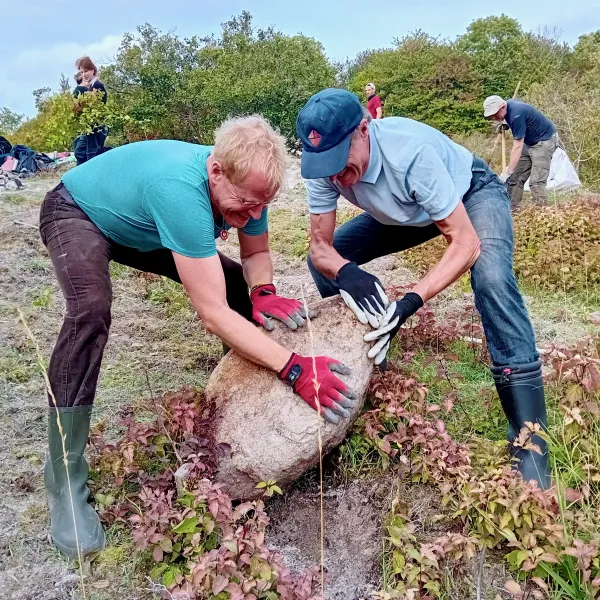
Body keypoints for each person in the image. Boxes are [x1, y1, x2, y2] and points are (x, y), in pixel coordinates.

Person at [39, 115, 356, 558]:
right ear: (215, 171)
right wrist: (294, 367)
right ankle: (63, 480)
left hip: (142, 222)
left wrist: (262, 293)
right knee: (89, 311)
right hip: (78, 211)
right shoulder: (181, 192)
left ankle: (243, 393)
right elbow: (211, 314)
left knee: (238, 289)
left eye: (262, 205)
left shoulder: (249, 189)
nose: (253, 215)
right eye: (245, 204)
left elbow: (258, 250)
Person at [297, 88, 550, 491]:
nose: (335, 177)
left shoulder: (408, 153)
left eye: (341, 164)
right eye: (324, 167)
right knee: (324, 263)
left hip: (470, 193)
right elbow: (321, 247)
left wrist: (409, 302)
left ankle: (531, 438)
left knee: (492, 279)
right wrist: (347, 273)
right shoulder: (324, 168)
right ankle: (364, 357)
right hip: (404, 213)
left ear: (365, 129)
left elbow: (465, 243)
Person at [483, 95, 557, 209]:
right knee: (514, 179)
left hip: (544, 141)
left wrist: (508, 171)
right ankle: (513, 211)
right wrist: (505, 124)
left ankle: (542, 214)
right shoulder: (508, 107)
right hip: (529, 141)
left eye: (495, 113)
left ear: (502, 106)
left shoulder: (516, 115)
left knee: (536, 183)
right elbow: (520, 121)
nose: (494, 117)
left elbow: (517, 146)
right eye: (491, 115)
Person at [72, 56, 108, 165]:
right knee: (79, 152)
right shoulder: (89, 86)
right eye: (82, 72)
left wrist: (81, 88)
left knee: (92, 154)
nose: (84, 74)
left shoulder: (97, 86)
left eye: (86, 71)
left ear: (93, 70)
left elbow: (92, 106)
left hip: (97, 127)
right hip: (87, 128)